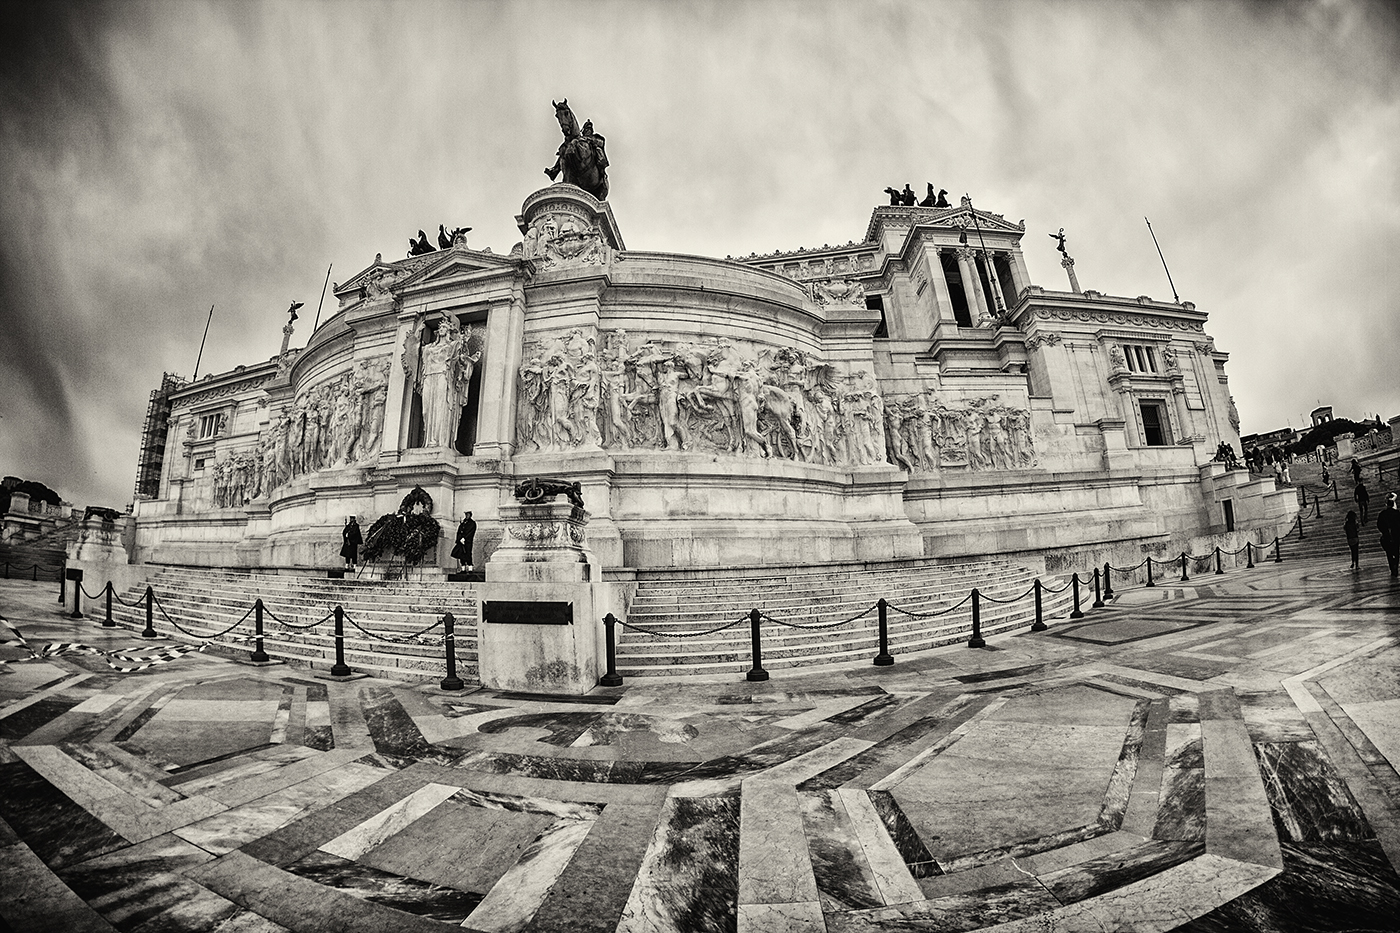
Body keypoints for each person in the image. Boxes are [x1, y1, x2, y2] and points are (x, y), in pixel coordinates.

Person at [1379, 493, 1399, 578]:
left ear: (1387, 505)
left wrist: (1384, 532)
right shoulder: (1397, 513)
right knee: (1397, 552)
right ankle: (1396, 566)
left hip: (1387, 536)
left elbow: (1379, 525)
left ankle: (1392, 568)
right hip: (1396, 535)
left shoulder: (1383, 514)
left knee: (1389, 553)